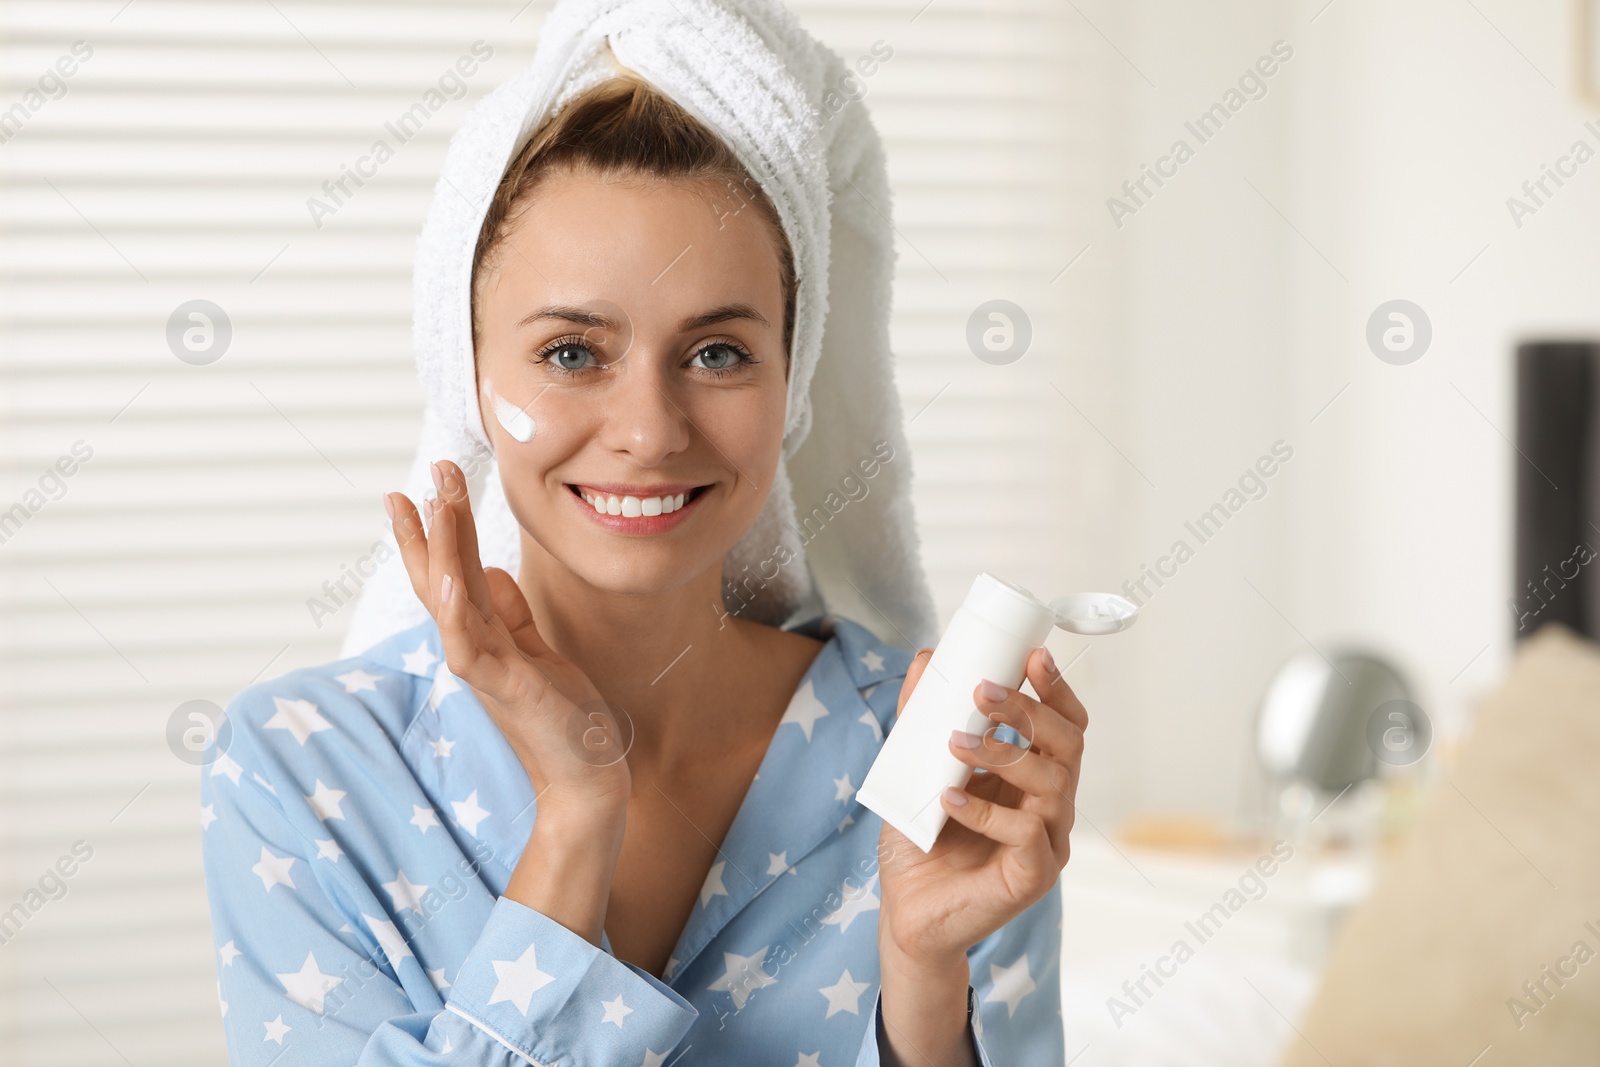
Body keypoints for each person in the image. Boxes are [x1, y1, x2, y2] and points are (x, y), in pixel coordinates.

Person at [200, 5, 1084, 1065]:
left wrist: (924, 987)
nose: (649, 432)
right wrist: (577, 813)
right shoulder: (304, 769)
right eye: (572, 353)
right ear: (469, 379)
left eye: (716, 353)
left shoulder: (936, 761)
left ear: (792, 382)